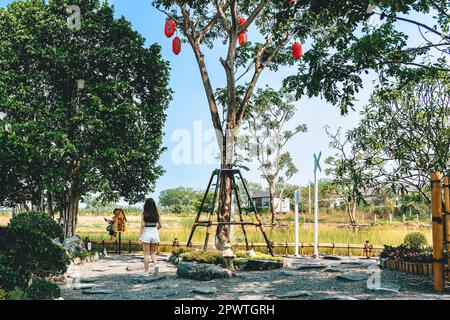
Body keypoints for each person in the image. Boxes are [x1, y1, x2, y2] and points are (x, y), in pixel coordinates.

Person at [139, 198, 162, 276]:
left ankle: (146, 272)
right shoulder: (157, 213)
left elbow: (142, 226)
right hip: (155, 233)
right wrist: (155, 229)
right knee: (153, 253)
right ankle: (156, 265)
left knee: (146, 254)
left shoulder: (144, 213)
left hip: (146, 233)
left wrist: (140, 237)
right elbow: (160, 225)